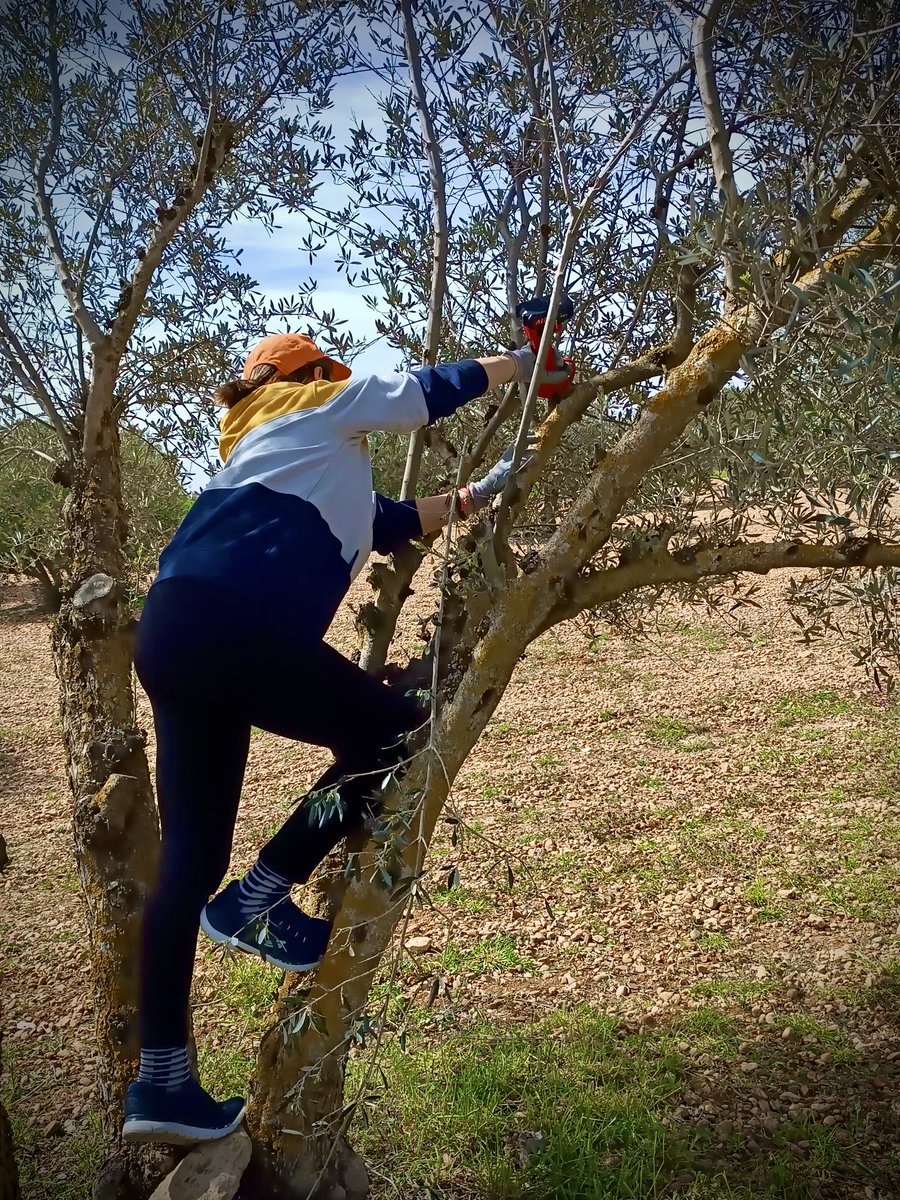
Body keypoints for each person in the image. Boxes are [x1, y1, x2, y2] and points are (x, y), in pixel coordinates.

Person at [122, 332, 568, 1145]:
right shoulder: (311, 403)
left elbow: (398, 519)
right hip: (235, 626)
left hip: (173, 631)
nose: (346, 381)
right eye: (334, 371)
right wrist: (524, 361)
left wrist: (481, 493)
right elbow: (423, 394)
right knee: (398, 735)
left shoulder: (279, 456)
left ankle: (161, 1082)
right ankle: (255, 902)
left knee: (188, 859)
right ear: (314, 374)